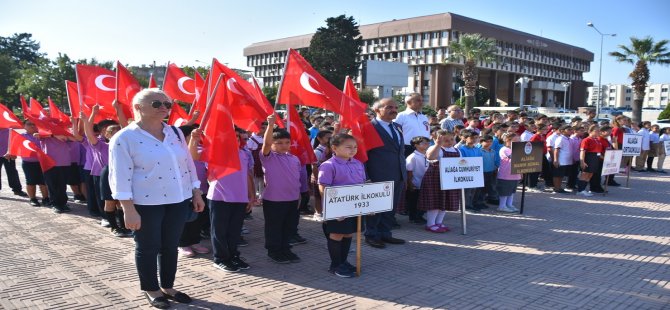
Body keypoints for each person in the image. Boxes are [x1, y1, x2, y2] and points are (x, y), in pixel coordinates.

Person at [109, 89, 204, 309]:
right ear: (138, 108)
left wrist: (196, 192)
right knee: (147, 246)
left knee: (170, 246)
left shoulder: (176, 133)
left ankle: (168, 286)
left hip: (178, 200)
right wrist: (128, 208)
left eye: (167, 104)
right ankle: (151, 288)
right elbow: (120, 176)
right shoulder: (124, 138)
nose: (164, 107)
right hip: (146, 203)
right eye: (156, 103)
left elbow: (187, 165)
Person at [318, 133, 366, 278]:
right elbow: (323, 187)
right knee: (336, 234)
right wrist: (333, 209)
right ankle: (335, 265)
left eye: (355, 147)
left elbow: (363, 185)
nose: (352, 150)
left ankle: (343, 261)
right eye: (348, 147)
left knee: (348, 233)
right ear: (334, 148)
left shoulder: (358, 163)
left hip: (354, 206)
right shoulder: (328, 165)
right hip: (338, 207)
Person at [364, 98, 407, 248]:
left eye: (395, 107)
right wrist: (366, 176)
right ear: (377, 110)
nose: (394, 110)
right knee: (375, 208)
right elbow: (364, 154)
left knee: (391, 207)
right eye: (389, 107)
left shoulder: (397, 126)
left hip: (398, 173)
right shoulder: (368, 127)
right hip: (378, 174)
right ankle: (371, 235)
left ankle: (385, 233)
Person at [260, 114, 302, 264]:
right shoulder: (269, 157)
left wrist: (299, 196)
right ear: (272, 144)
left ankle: (285, 248)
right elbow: (265, 144)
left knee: (288, 226)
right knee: (274, 227)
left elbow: (296, 181)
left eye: (286, 142)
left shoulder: (294, 158)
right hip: (274, 200)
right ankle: (274, 251)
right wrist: (270, 126)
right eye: (278, 143)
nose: (284, 145)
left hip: (292, 199)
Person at [419, 129, 460, 232]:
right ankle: (430, 224)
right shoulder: (435, 148)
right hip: (435, 178)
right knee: (435, 202)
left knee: (445, 201)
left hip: (450, 178)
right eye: (445, 140)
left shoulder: (456, 150)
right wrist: (438, 145)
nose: (449, 142)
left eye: (451, 139)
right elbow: (430, 157)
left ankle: (439, 222)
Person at [9, 121, 48, 206]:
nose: (32, 126)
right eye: (29, 124)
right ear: (24, 126)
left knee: (43, 182)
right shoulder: (21, 137)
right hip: (28, 163)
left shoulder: (43, 135)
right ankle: (33, 199)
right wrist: (11, 154)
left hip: (42, 162)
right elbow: (13, 151)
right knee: (31, 182)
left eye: (34, 124)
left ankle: (46, 199)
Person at [394, 93, 430, 157]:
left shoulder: (424, 117)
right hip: (407, 148)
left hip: (424, 148)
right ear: (408, 102)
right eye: (418, 100)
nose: (421, 103)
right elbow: (395, 133)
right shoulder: (401, 116)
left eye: (422, 100)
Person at [405, 136, 430, 225]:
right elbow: (409, 172)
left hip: (425, 183)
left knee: (422, 201)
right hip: (416, 183)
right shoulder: (413, 157)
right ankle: (413, 217)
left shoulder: (427, 155)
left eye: (427, 143)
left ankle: (420, 216)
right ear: (416, 145)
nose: (426, 145)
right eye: (423, 143)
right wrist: (410, 184)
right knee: (414, 202)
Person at [458, 130, 485, 212]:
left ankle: (470, 204)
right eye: (472, 138)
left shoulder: (477, 149)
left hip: (475, 172)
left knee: (473, 189)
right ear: (466, 138)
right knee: (466, 190)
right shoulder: (461, 149)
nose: (474, 140)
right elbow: (461, 161)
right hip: (466, 172)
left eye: (476, 138)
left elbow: (480, 160)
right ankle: (463, 205)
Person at [497, 133, 522, 213]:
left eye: (519, 141)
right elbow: (514, 157)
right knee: (505, 191)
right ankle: (502, 206)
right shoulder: (504, 149)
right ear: (507, 141)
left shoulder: (517, 149)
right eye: (515, 141)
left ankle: (509, 204)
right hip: (506, 175)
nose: (518, 143)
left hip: (515, 174)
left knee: (511, 191)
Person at [311, 130, 332, 220]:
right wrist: (316, 178)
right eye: (328, 138)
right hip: (319, 176)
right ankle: (318, 213)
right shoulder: (317, 151)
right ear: (319, 138)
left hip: (327, 177)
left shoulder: (330, 148)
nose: (330, 139)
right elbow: (314, 166)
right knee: (318, 196)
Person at [0, 128, 28, 197]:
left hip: (9, 155)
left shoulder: (9, 131)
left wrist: (14, 153)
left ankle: (17, 190)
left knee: (12, 172)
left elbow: (15, 143)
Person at [576, 125, 601, 197]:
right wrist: (582, 161)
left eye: (599, 131)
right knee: (585, 174)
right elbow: (582, 151)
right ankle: (580, 190)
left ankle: (583, 189)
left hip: (595, 158)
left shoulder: (597, 140)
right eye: (596, 131)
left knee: (590, 174)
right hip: (588, 157)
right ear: (590, 131)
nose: (598, 132)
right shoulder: (586, 140)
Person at [478, 135, 500, 205]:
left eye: (491, 141)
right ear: (481, 142)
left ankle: (489, 199)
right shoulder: (479, 151)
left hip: (491, 171)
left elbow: (495, 161)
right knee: (481, 188)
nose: (489, 143)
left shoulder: (493, 151)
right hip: (482, 172)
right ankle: (480, 201)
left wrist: (496, 168)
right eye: (487, 142)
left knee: (490, 186)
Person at [552, 125, 574, 194]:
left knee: (561, 175)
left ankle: (559, 187)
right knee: (557, 175)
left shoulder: (569, 139)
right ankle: (556, 188)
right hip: (561, 160)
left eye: (571, 129)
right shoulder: (560, 138)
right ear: (562, 131)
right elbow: (556, 150)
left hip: (567, 161)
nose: (571, 131)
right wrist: (555, 160)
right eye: (569, 129)